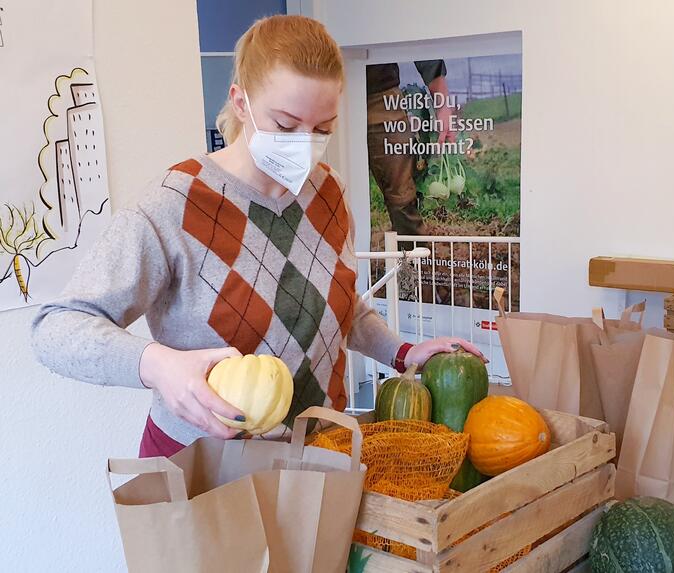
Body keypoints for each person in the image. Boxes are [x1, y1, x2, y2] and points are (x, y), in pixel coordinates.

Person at [30, 15, 484, 457]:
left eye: (322, 129)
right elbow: (57, 328)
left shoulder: (330, 193)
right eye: (286, 125)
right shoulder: (176, 203)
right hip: (204, 465)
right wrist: (158, 365)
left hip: (316, 455)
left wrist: (403, 351)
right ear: (240, 102)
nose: (304, 143)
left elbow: (340, 306)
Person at [367, 61, 457, 236]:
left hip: (379, 93)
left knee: (401, 196)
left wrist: (442, 103)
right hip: (324, 86)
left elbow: (424, 50)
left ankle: (412, 252)